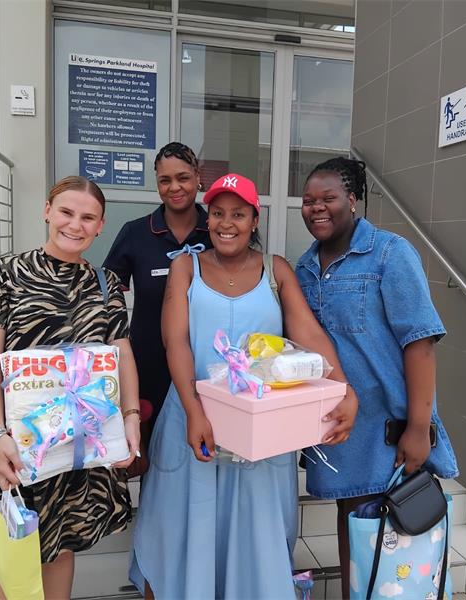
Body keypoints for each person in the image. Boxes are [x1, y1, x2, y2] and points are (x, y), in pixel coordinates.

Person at [130, 173, 359, 599]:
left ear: (255, 220)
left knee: (256, 534)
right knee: (182, 528)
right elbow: (175, 342)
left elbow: (308, 332)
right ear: (208, 219)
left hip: (262, 432)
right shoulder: (186, 267)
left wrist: (344, 388)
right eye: (218, 213)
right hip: (192, 422)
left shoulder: (277, 269)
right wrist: (194, 411)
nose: (226, 223)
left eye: (238, 214)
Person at [0, 176, 141, 600]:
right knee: (20, 560)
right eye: (66, 212)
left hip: (78, 440)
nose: (75, 225)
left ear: (100, 226)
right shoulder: (3, 274)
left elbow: (122, 354)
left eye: (88, 218)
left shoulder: (106, 283)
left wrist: (131, 417)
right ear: (47, 211)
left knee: (62, 543)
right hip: (17, 440)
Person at [295, 157, 459, 598]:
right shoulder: (304, 268)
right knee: (356, 537)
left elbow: (420, 343)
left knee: (398, 548)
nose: (316, 208)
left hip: (390, 437)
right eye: (308, 200)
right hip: (343, 435)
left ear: (353, 199)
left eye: (328, 198)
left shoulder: (389, 253)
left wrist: (419, 428)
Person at [105, 142, 212, 441]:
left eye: (183, 177)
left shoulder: (217, 231)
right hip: (148, 364)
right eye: (165, 180)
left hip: (207, 365)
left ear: (197, 177)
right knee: (150, 450)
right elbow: (108, 294)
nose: (174, 187)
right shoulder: (135, 233)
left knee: (202, 445)